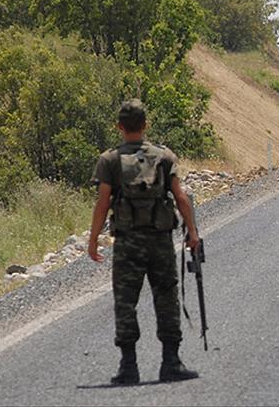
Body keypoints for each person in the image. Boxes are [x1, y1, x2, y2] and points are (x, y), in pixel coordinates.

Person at [89, 99, 200, 385]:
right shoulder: (164, 156)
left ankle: (128, 367)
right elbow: (181, 197)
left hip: (127, 243)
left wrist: (92, 240)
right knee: (166, 297)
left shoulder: (110, 160)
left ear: (120, 127)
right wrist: (192, 232)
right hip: (160, 241)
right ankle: (171, 363)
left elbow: (102, 204)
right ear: (145, 125)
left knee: (126, 301)